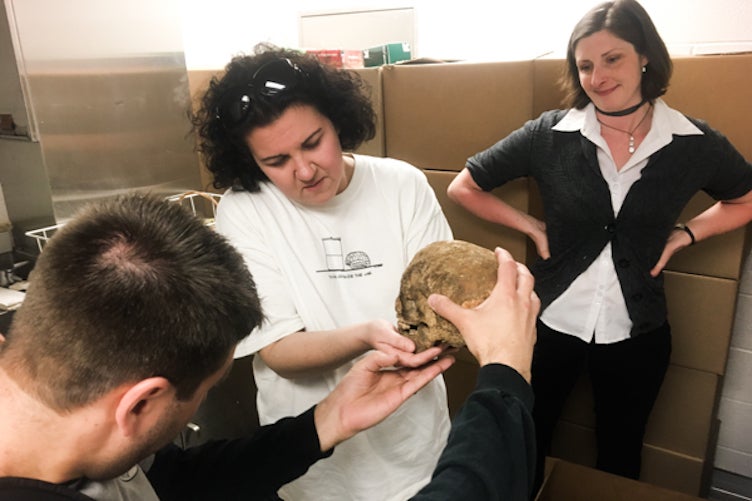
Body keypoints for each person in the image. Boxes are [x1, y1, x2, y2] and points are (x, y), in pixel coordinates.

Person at [0, 193, 540, 500]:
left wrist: (325, 422)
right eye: (206, 391)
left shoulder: (64, 429)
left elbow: (168, 477)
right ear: (139, 404)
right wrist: (505, 377)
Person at [447, 0, 752, 492]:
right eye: (585, 64)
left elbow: (745, 199)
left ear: (646, 56)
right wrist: (531, 225)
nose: (596, 76)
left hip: (638, 332)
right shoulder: (549, 134)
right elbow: (464, 186)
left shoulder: (693, 142)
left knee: (621, 451)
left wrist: (686, 234)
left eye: (613, 59)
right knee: (526, 438)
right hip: (547, 325)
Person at [191, 44, 454, 499]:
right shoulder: (245, 211)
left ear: (337, 120)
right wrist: (368, 335)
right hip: (314, 461)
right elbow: (277, 350)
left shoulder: (402, 186)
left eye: (313, 143)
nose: (305, 170)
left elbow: (439, 307)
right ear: (251, 162)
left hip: (415, 445)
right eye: (276, 162)